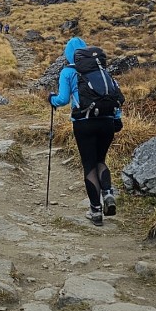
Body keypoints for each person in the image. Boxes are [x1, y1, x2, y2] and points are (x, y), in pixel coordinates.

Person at [48, 37, 119, 226]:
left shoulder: (68, 72)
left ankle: (95, 212)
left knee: (89, 166)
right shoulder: (102, 70)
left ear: (68, 53)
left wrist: (51, 100)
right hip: (107, 122)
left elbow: (62, 100)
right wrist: (117, 118)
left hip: (84, 123)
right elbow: (114, 95)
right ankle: (108, 193)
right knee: (100, 161)